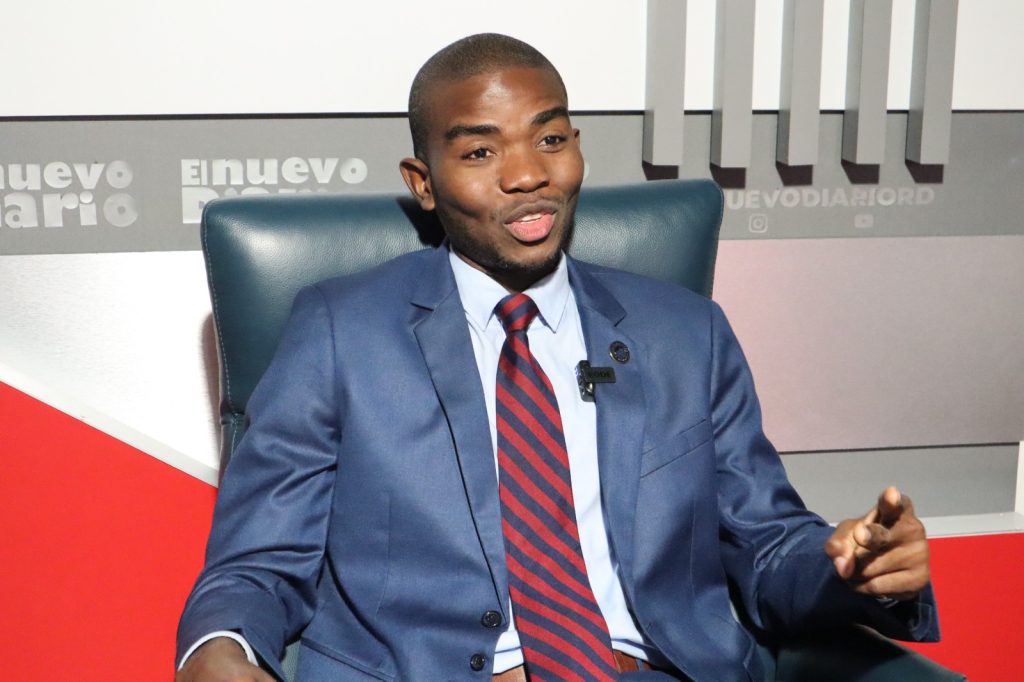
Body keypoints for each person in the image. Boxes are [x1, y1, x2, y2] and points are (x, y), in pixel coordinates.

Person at [176, 33, 936, 682]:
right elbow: (257, 565)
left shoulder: (686, 334)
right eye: (480, 151)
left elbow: (767, 548)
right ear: (423, 184)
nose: (527, 175)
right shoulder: (341, 332)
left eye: (550, 139)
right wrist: (219, 649)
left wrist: (854, 572)